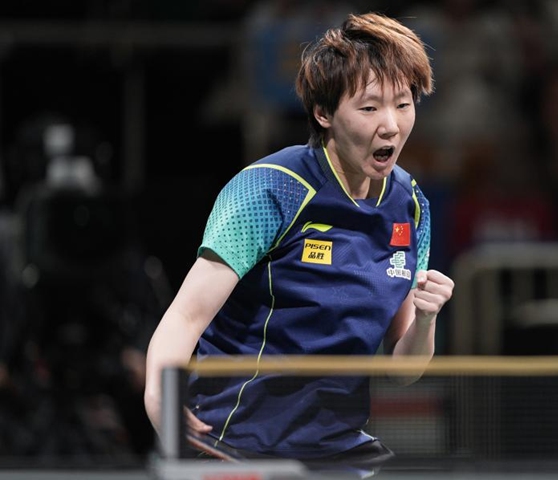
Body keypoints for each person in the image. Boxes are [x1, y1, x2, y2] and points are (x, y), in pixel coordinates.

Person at [143, 12, 454, 466]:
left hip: (337, 449)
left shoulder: (410, 206)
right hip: (233, 441)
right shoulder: (271, 189)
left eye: (403, 104)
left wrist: (427, 319)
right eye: (369, 108)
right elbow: (187, 315)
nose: (391, 125)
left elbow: (402, 371)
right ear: (323, 113)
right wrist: (158, 393)